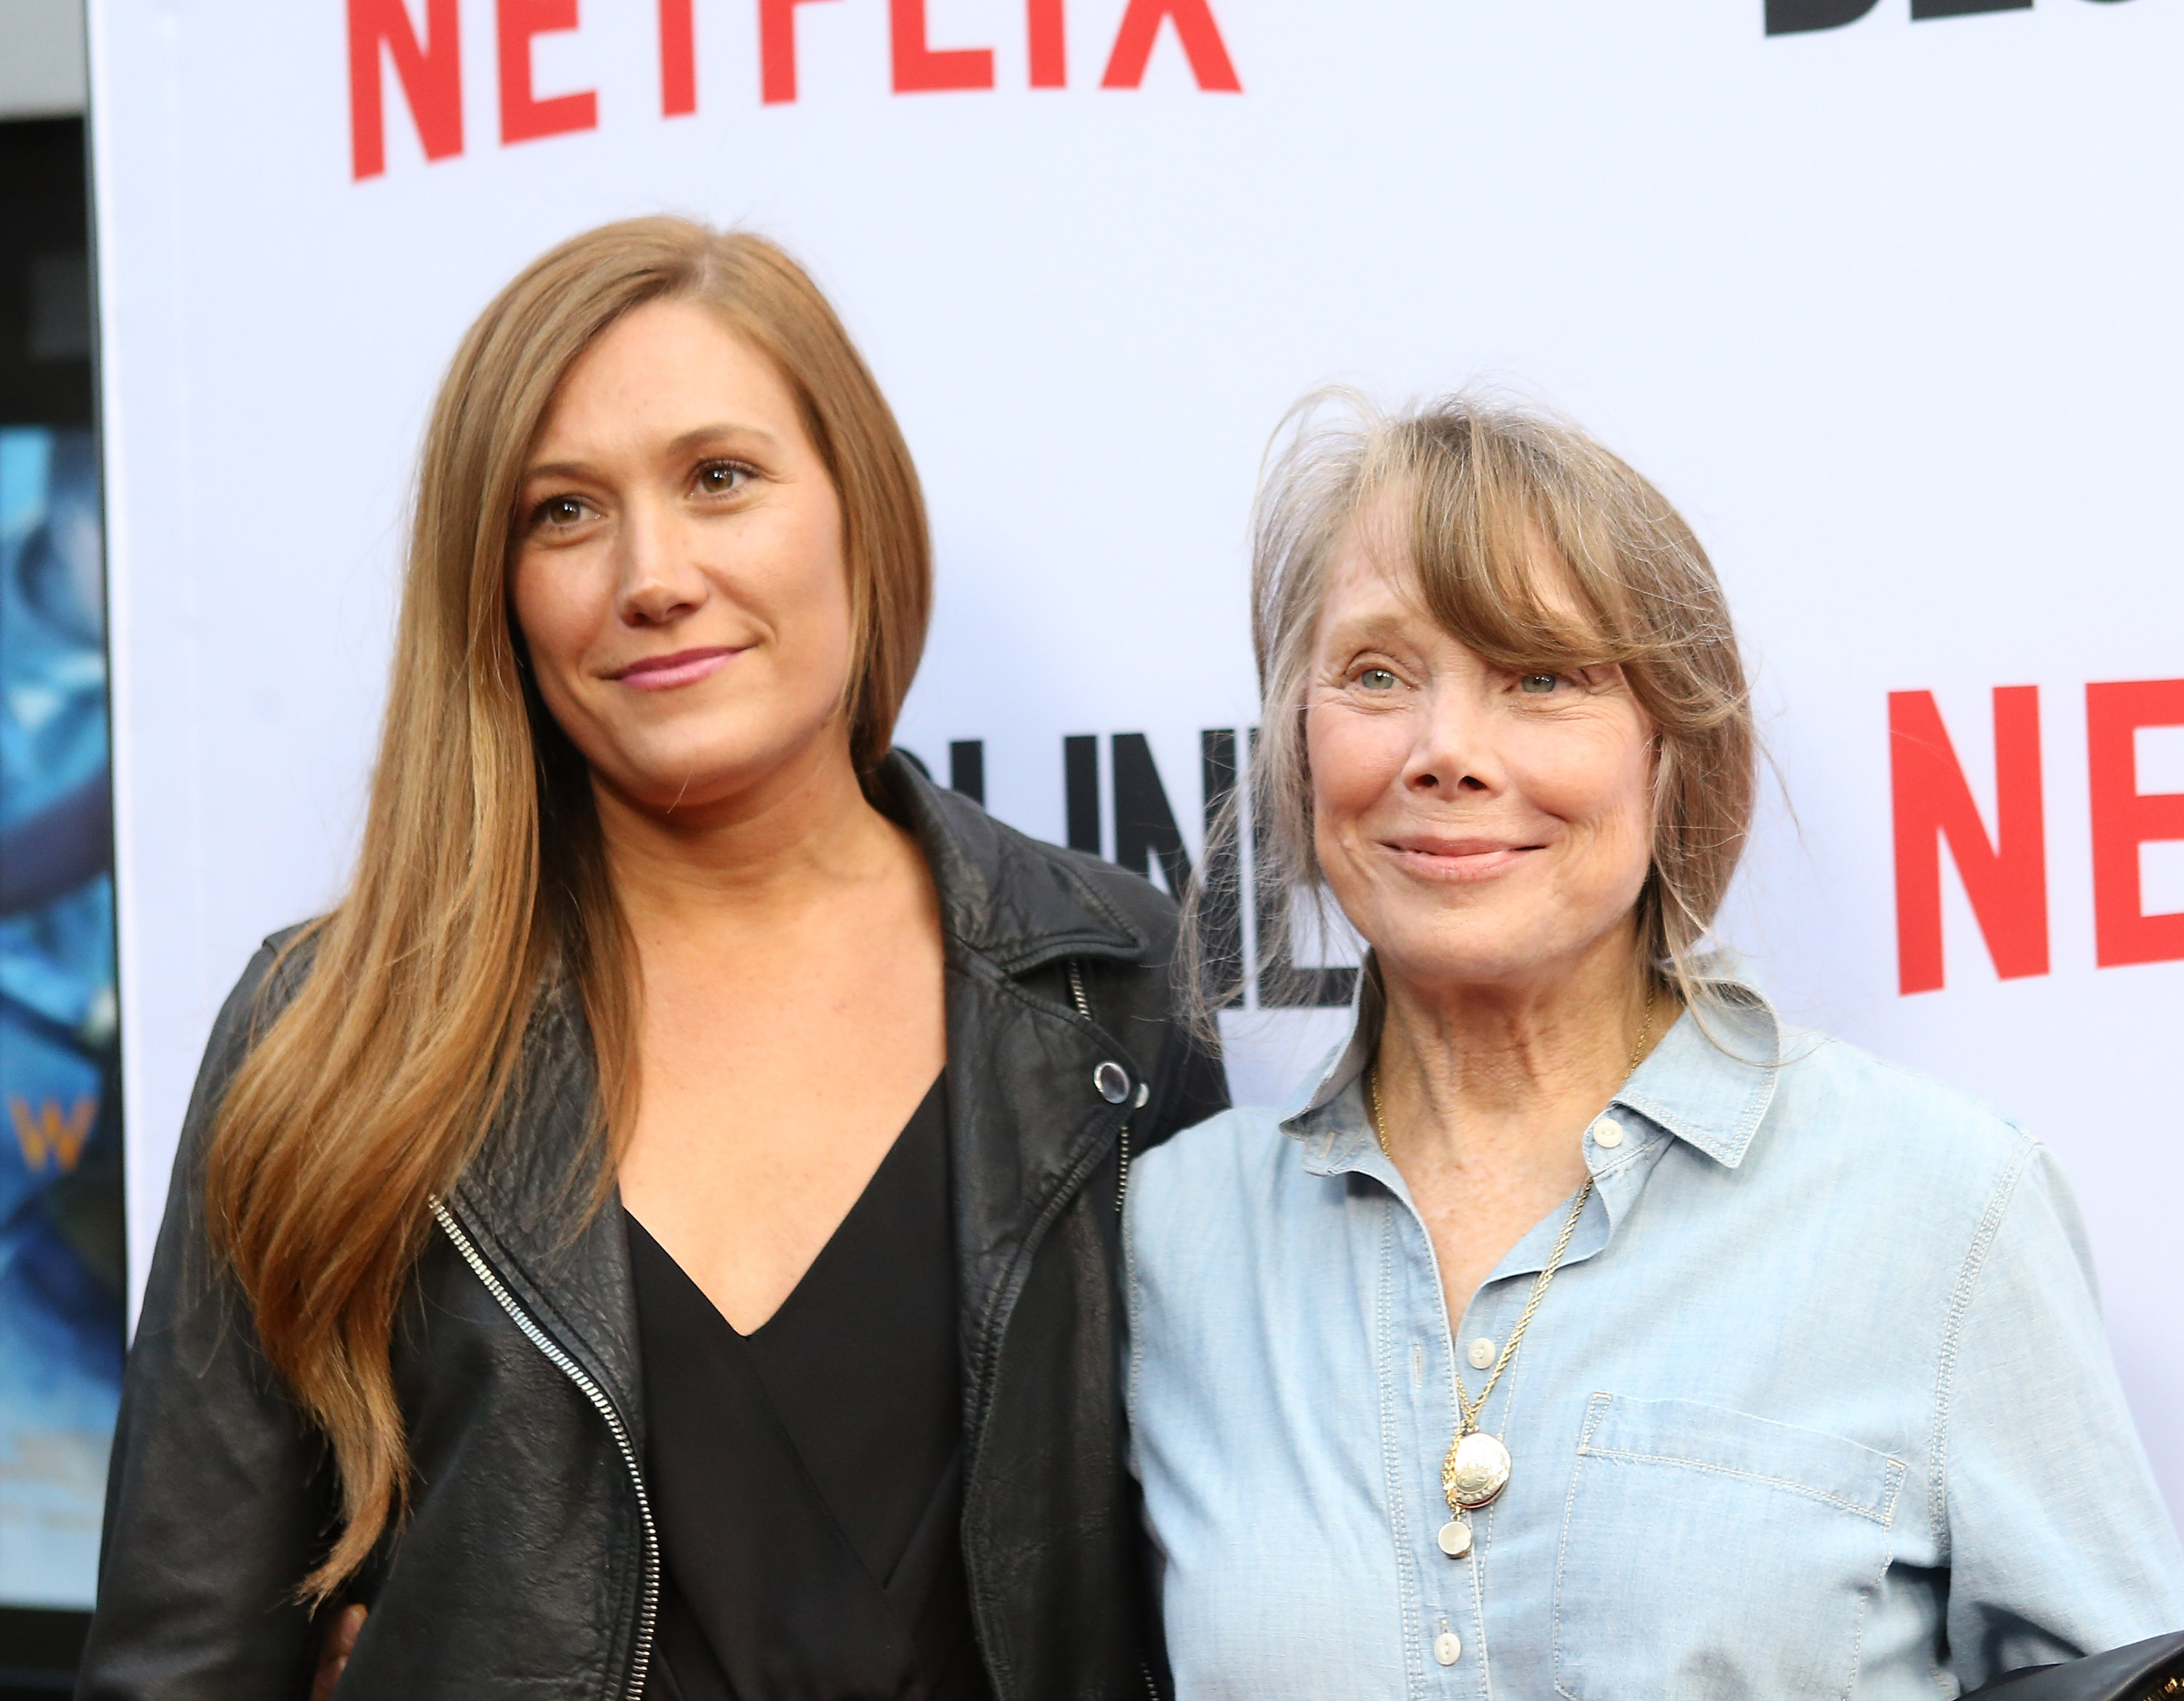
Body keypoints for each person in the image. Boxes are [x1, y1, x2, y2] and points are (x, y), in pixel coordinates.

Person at [79, 218, 1224, 1701]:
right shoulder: (333, 1027)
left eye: (721, 478)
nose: (653, 574)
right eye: (563, 512)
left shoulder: (1110, 987)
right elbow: (179, 1659)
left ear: (858, 512)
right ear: (497, 592)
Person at [1125, 394, 2184, 1698]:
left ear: (1672, 753)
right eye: (1380, 674)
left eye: (1542, 677)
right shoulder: (1171, 1235)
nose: (1446, 749)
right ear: (1298, 738)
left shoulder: (1946, 1209)